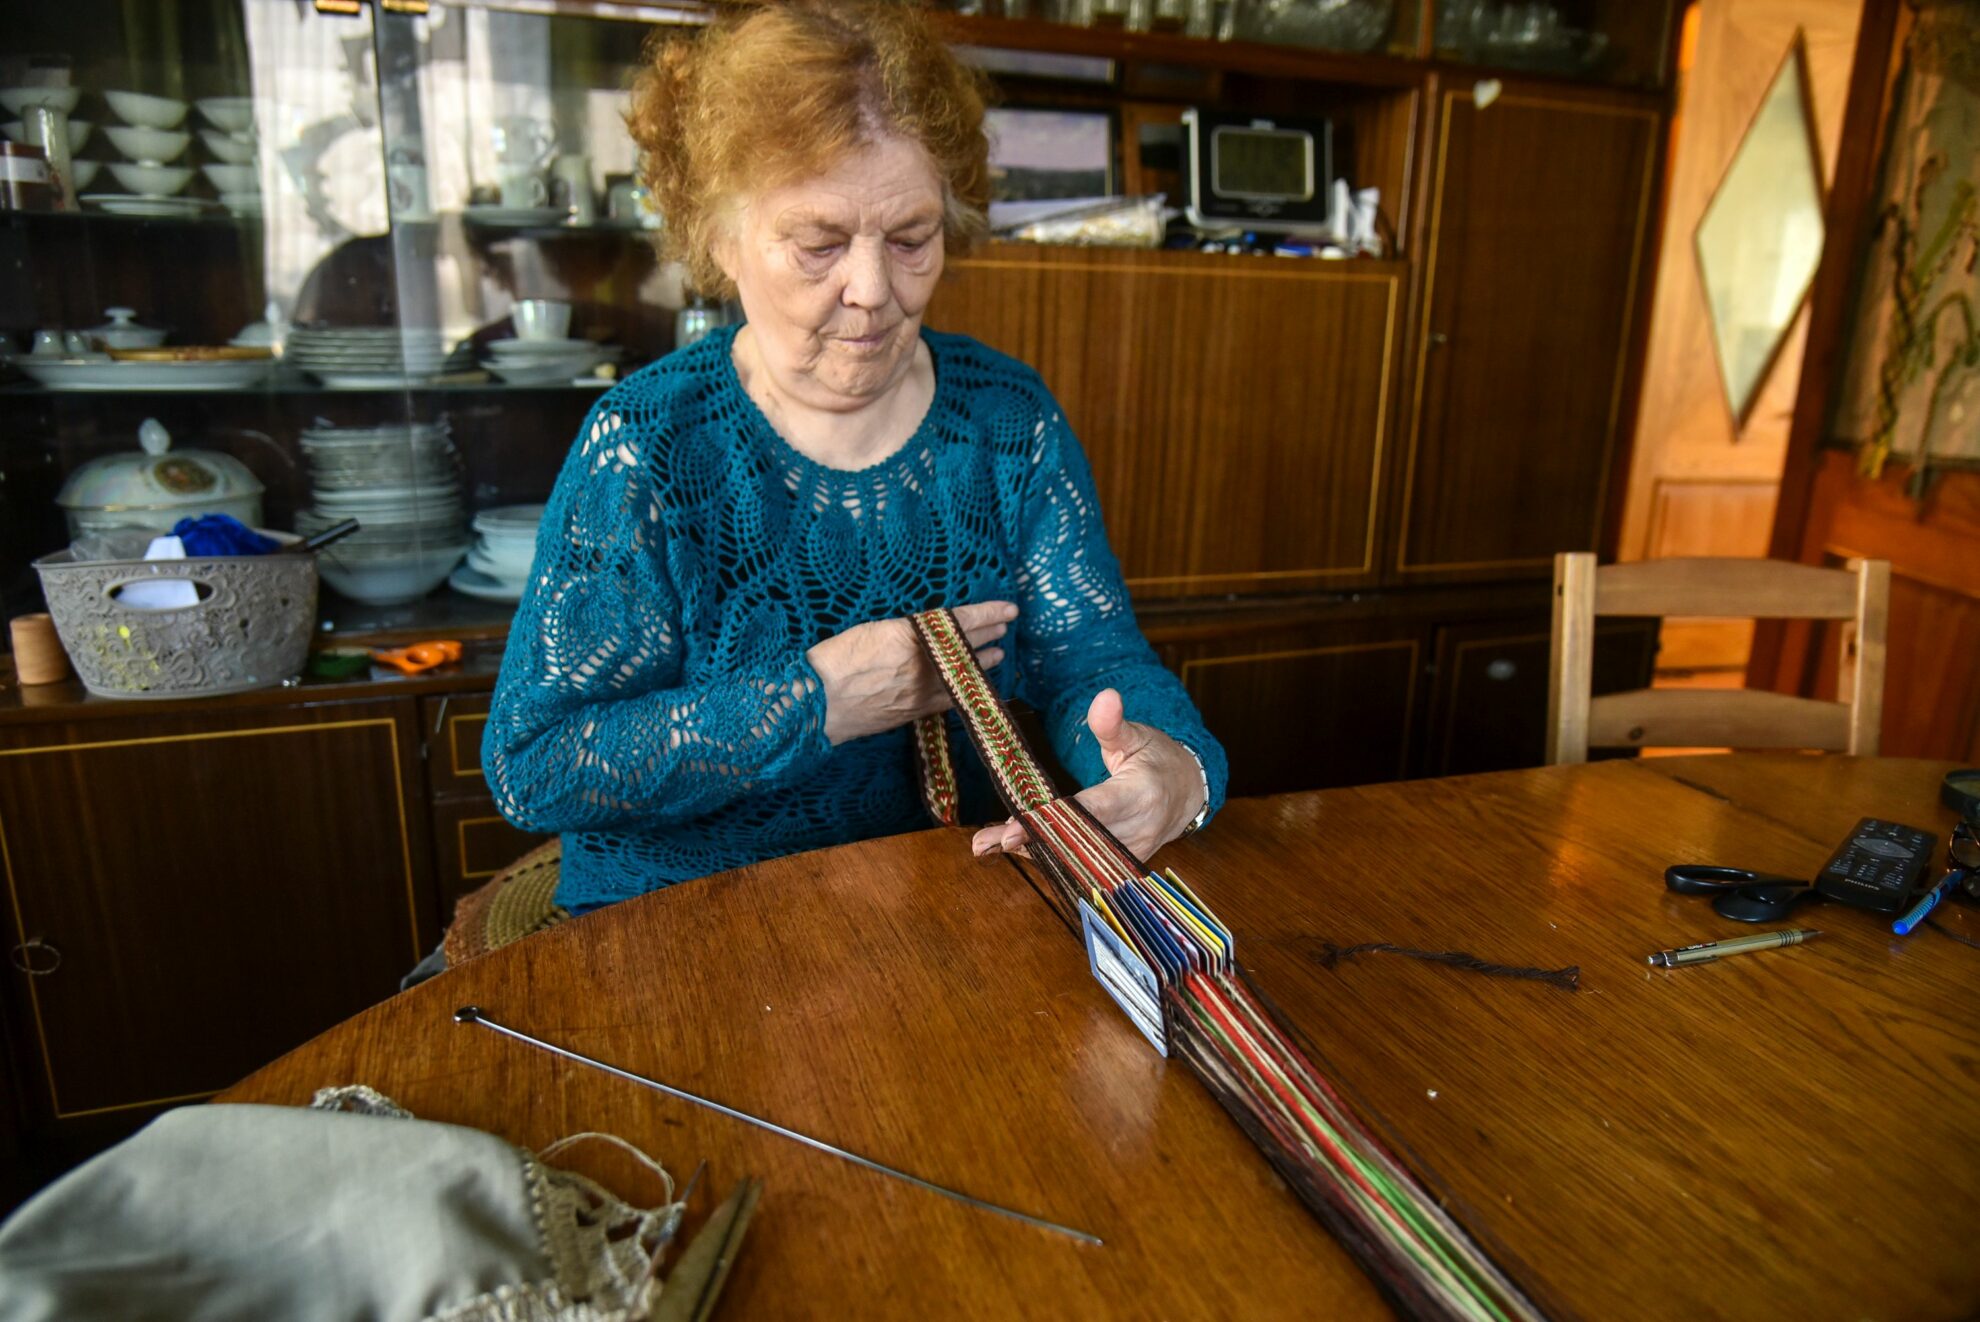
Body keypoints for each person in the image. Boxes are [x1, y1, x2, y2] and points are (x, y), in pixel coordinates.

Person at [480, 0, 1227, 921]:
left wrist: (1173, 770)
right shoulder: (650, 444)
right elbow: (537, 766)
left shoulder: (1006, 419)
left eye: (912, 238)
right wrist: (819, 700)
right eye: (819, 244)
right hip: (684, 929)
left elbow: (1094, 659)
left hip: (942, 911)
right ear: (719, 239)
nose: (872, 291)